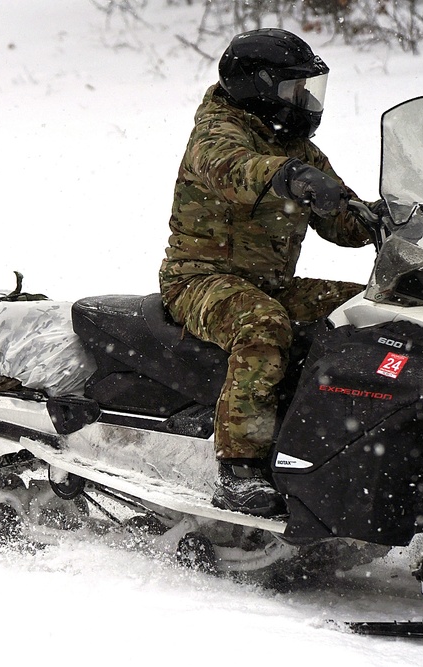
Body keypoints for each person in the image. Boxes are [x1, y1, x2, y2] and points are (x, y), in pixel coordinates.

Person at [158, 28, 374, 518]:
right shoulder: (217, 131)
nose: (304, 102)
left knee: (368, 311)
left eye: (309, 89)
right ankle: (240, 470)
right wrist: (287, 177)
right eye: (293, 89)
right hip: (198, 280)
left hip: (271, 284)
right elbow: (232, 167)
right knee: (263, 325)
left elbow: (342, 223)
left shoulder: (296, 149)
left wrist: (392, 219)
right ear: (257, 87)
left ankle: (333, 443)